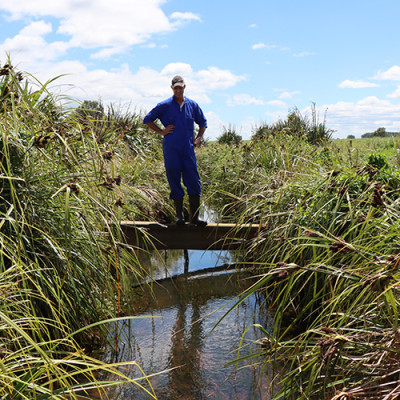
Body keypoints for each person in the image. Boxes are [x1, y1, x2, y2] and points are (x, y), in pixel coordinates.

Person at [143, 75, 207, 226]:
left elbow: (203, 122)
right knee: (174, 179)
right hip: (171, 149)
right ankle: (179, 217)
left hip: (188, 150)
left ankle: (195, 218)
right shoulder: (164, 105)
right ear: (172, 88)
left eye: (180, 87)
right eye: (175, 87)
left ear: (185, 87)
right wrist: (161, 131)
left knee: (194, 180)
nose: (178, 90)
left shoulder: (192, 105)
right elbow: (147, 119)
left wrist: (198, 138)